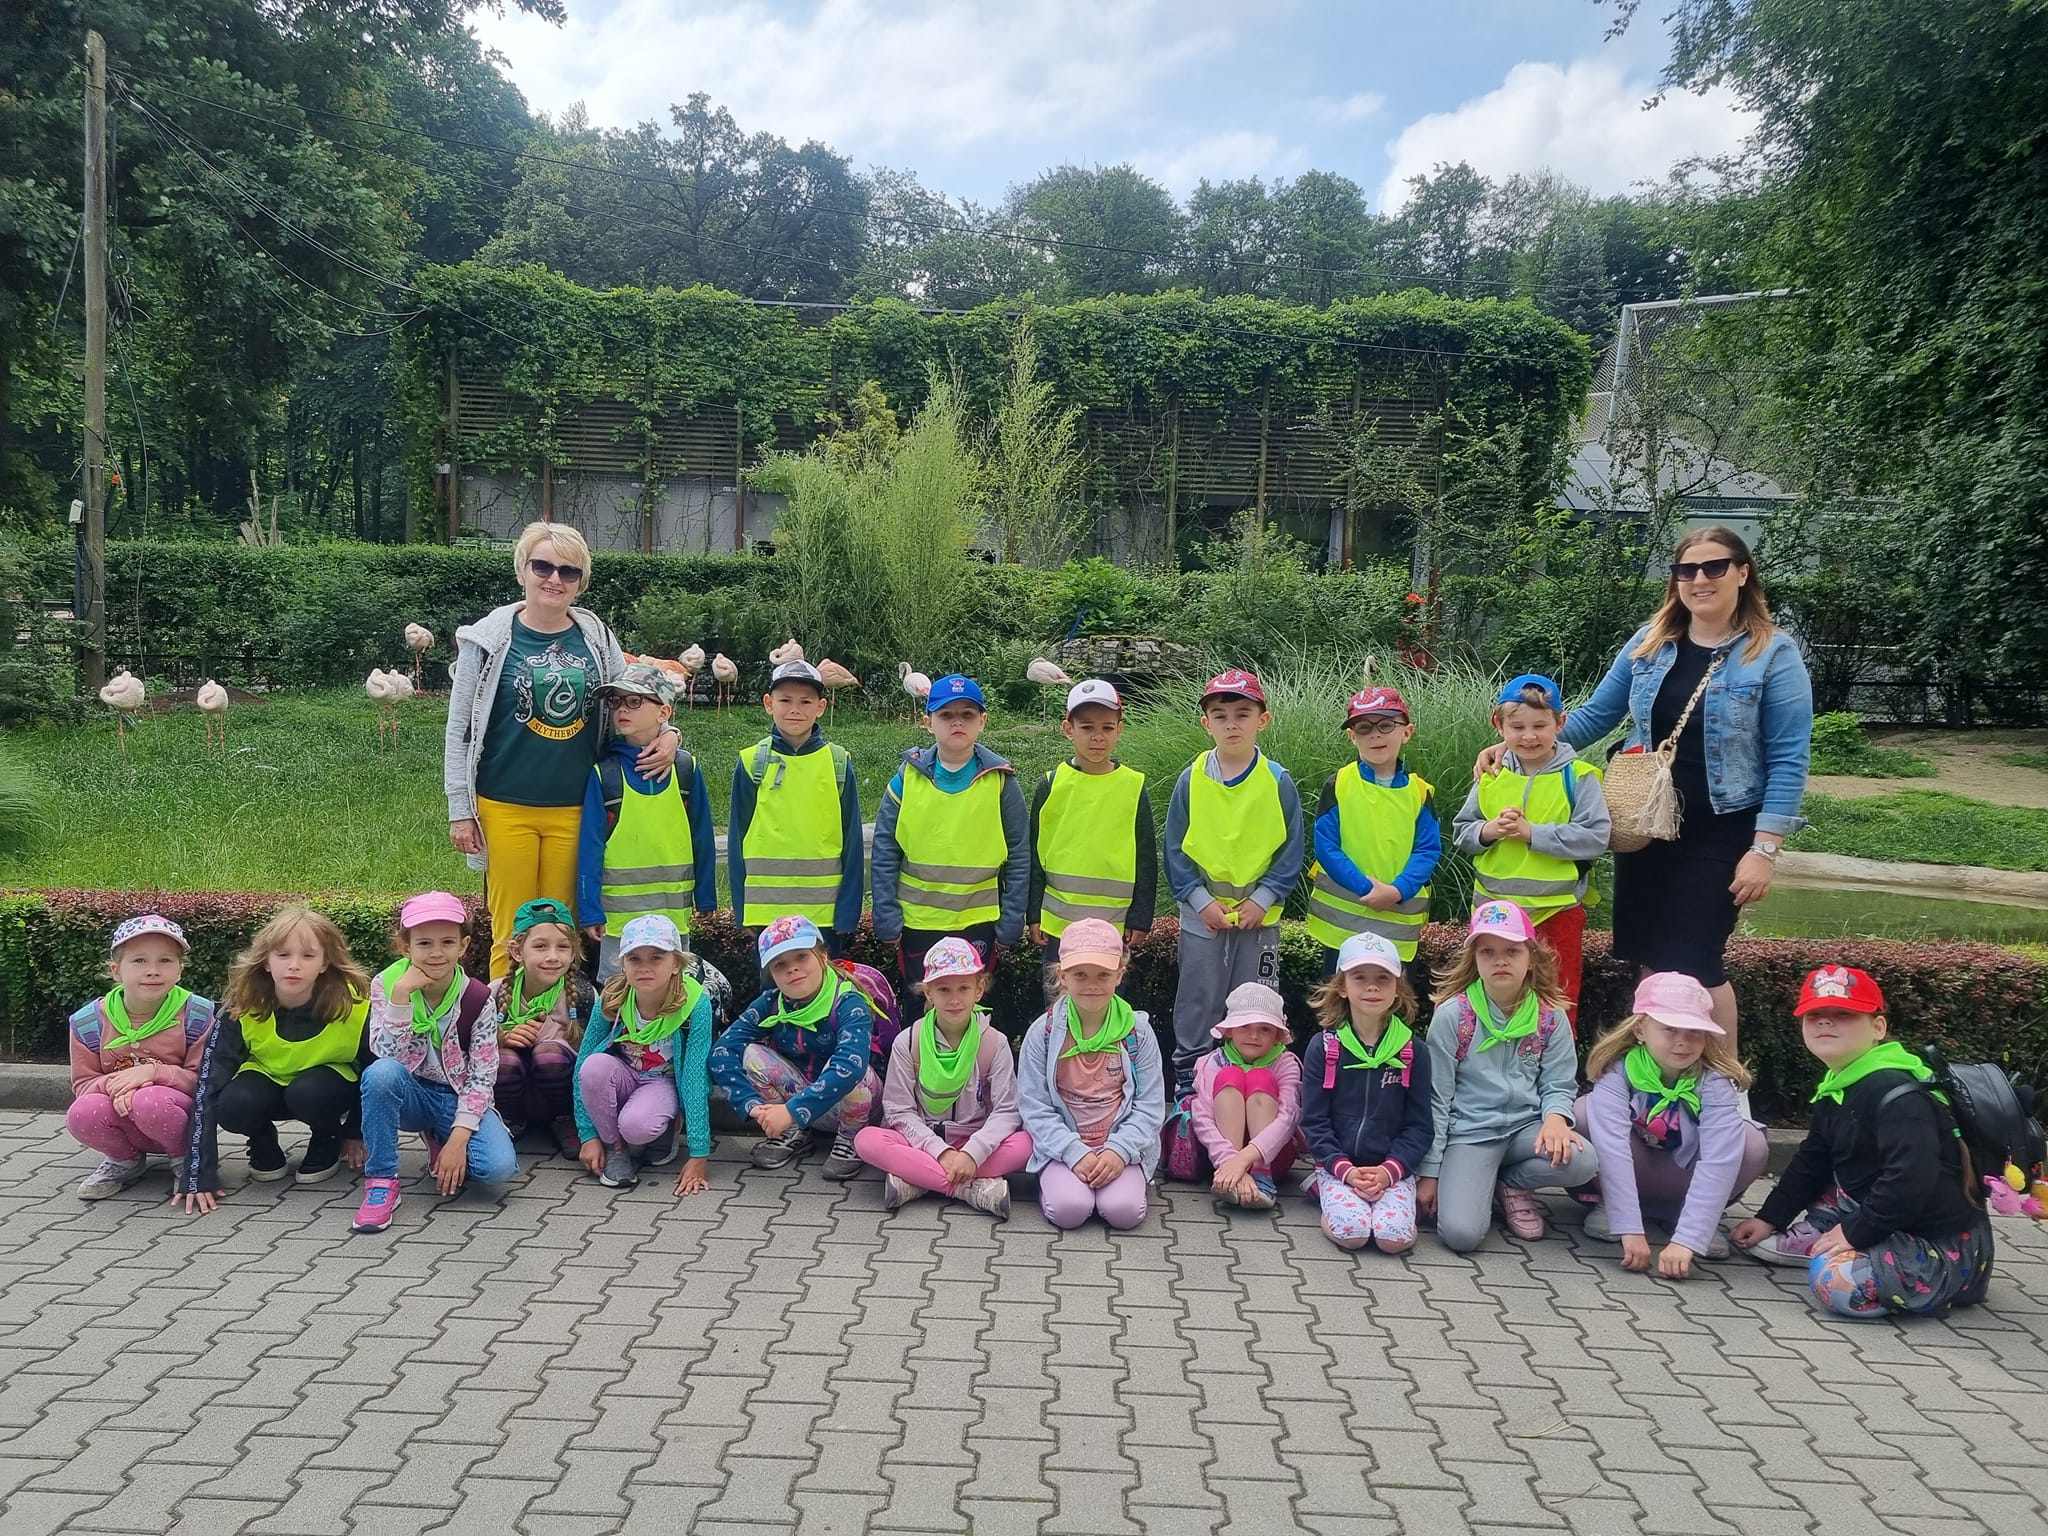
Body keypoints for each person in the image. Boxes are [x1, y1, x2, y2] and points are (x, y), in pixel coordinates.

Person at [1482, 526, 1812, 1046]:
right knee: (1651, 956)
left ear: (1742, 573)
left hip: (1721, 829)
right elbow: (1595, 717)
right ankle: (1654, 1075)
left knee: (1698, 962)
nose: (1699, 579)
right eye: (1686, 570)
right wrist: (1516, 744)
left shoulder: (1772, 653)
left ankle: (1725, 1082)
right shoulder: (1649, 642)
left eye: (1714, 567)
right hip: (1645, 823)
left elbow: (1789, 759)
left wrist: (1764, 849)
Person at [444, 521, 680, 979]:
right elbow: (460, 731)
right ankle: (504, 1016)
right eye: (543, 567)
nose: (554, 579)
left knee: (562, 930)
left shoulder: (596, 637)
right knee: (513, 930)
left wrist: (670, 734)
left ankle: (560, 1015)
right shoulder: (487, 640)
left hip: (576, 805)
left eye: (568, 571)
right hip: (504, 804)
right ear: (522, 571)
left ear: (580, 582)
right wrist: (460, 809)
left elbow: (635, 699)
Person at [1731, 966, 1993, 1320]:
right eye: (1814, 1016)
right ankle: (1832, 1238)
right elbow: (1813, 1159)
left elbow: (1910, 1179)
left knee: (1838, 1284)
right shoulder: (1842, 1083)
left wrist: (1854, 1233)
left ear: (1878, 1028)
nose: (1826, 1022)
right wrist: (1769, 1218)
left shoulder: (1897, 1094)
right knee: (1832, 1161)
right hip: (1892, 1219)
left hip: (1940, 1245)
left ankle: (1905, 1272)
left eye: (1843, 1015)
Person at [1418, 900, 1597, 1251]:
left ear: (1531, 957)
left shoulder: (1550, 1017)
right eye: (1488, 952)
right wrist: (1431, 1171)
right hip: (1470, 1134)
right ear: (1474, 959)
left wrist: (1556, 1119)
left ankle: (1511, 1184)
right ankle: (1478, 1178)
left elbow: (1559, 1082)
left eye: (1512, 951)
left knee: (1583, 1161)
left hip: (1525, 1130)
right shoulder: (1454, 1015)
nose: (1500, 960)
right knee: (1461, 1235)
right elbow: (1437, 1097)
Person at [177, 906, 374, 1215]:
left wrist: (354, 1131)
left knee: (307, 1092)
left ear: (325, 963)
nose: (294, 965)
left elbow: (376, 1073)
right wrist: (198, 1175)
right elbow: (207, 1086)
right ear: (266, 961)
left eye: (308, 956)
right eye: (283, 955)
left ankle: (327, 1138)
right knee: (233, 1102)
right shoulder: (241, 1007)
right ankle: (262, 1140)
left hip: (326, 1091)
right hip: (268, 1084)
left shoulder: (356, 1006)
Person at [1163, 669, 1304, 1096]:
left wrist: (1264, 898)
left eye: (1243, 714)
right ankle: (1190, 1084)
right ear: (1206, 723)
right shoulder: (1191, 779)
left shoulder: (1277, 781)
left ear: (1263, 720)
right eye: (1220, 716)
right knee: (1198, 998)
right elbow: (1175, 848)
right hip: (1202, 916)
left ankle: (1255, 1081)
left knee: (1257, 1000)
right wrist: (1199, 900)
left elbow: (1291, 849)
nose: (1232, 725)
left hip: (1259, 919)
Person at [1576, 972, 1768, 1279]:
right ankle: (1611, 1207)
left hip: (1681, 1178)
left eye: (1694, 1031)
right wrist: (1630, 1228)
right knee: (1584, 1114)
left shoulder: (1714, 1081)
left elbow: (1719, 1160)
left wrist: (1688, 1240)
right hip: (1636, 1170)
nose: (1683, 1041)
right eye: (1669, 1028)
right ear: (1640, 1028)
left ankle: (1690, 1219)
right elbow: (1612, 1147)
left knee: (1751, 1143)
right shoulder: (1618, 1071)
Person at [352, 893, 517, 1235]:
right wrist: (401, 998)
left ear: (463, 946)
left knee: (497, 1170)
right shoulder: (387, 984)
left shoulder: (477, 997)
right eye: (424, 943)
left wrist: (458, 1140)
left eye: (447, 942)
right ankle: (382, 1181)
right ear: (405, 947)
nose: (436, 952)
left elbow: (482, 1076)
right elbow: (386, 1057)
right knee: (379, 1075)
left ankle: (441, 1136)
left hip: (456, 1096)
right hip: (411, 1094)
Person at [1454, 674, 1609, 1020]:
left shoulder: (1580, 776)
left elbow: (1596, 838)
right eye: (1517, 727)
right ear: (1499, 725)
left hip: (1556, 912)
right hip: (1494, 911)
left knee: (1556, 1002)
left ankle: (1557, 1057)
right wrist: (1489, 830)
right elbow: (1462, 832)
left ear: (1560, 723)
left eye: (1540, 726)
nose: (1529, 736)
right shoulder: (1490, 774)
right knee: (1490, 1001)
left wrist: (1532, 834)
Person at [870, 674, 1030, 989]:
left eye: (967, 714)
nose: (957, 722)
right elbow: (885, 849)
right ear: (928, 722)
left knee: (969, 1007)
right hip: (918, 923)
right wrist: (886, 914)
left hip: (978, 923)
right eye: (946, 715)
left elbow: (1019, 853)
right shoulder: (907, 778)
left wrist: (1012, 919)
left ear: (982, 721)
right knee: (923, 1006)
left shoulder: (1001, 781)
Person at [853, 937, 1029, 1216]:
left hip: (975, 1141)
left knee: (1026, 1144)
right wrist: (941, 1152)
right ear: (928, 992)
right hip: (921, 1142)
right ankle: (967, 1189)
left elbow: (1007, 1110)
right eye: (944, 989)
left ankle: (918, 1180)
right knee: (867, 1140)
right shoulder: (907, 1041)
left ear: (979, 989)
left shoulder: (994, 1043)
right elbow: (899, 1110)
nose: (954, 999)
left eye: (963, 988)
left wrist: (973, 1153)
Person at [1016, 918, 1166, 1230]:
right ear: (1063, 975)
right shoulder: (1043, 1033)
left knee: (1124, 1212)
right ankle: (1056, 1183)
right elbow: (1033, 1105)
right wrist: (1072, 1152)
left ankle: (1115, 1183)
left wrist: (1119, 1151)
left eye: (1103, 974)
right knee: (1069, 1211)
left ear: (1119, 974)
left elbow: (1150, 1106)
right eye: (1080, 974)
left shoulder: (1138, 1033)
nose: (1092, 984)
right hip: (1063, 1146)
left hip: (1119, 1143)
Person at [711, 915, 881, 1180]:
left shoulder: (848, 1002)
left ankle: (851, 1140)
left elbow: (851, 1066)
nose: (792, 969)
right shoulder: (770, 1003)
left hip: (854, 1104)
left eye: (801, 956)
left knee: (851, 1070)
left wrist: (791, 1111)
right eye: (780, 964)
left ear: (823, 957)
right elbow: (721, 1052)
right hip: (796, 1109)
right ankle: (792, 1133)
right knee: (751, 1054)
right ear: (771, 974)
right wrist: (752, 1105)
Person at [575, 661, 717, 979]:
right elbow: (590, 846)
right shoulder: (605, 774)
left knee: (674, 987)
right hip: (619, 922)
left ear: (663, 712)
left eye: (634, 701)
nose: (622, 709)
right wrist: (589, 909)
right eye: (616, 701)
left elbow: (702, 836)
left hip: (673, 917)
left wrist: (706, 896)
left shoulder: (685, 769)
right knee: (617, 990)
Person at [1299, 933, 1434, 1255]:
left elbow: (1419, 1126)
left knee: (1393, 1240)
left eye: (1383, 978)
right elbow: (1314, 1121)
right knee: (1353, 1235)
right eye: (1360, 977)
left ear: (1397, 987)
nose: (1372, 987)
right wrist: (1343, 1169)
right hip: (1338, 1166)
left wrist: (1390, 1171)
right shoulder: (1325, 1048)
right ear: (1342, 987)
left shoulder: (1413, 1051)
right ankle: (1323, 1190)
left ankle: (1383, 1207)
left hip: (1391, 1169)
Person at [67, 915, 215, 1200]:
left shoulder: (197, 1015)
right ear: (116, 971)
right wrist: (119, 1085)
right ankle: (125, 1161)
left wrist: (151, 1074)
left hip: (174, 1116)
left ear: (180, 971)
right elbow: (84, 1084)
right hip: (123, 1115)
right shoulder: (88, 1022)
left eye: (165, 961)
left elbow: (204, 1082)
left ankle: (184, 1160)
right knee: (81, 1113)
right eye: (139, 961)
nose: (153, 971)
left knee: (148, 1100)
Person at [572, 914, 716, 1196]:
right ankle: (616, 1148)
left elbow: (695, 1078)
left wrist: (699, 1154)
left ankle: (665, 1128)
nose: (644, 967)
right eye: (634, 959)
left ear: (676, 964)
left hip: (662, 1083)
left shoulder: (695, 1005)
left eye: (656, 958)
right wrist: (587, 1136)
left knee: (636, 1127)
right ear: (623, 964)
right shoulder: (613, 998)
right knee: (593, 1066)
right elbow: (582, 1065)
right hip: (624, 1076)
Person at [729, 659, 864, 959]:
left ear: (821, 707)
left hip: (825, 915)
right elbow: (736, 838)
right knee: (775, 987)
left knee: (827, 987)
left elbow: (853, 841)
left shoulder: (838, 762)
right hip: (766, 914)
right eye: (785, 700)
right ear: (769, 703)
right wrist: (742, 909)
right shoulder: (751, 762)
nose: (795, 709)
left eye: (805, 701)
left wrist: (847, 912)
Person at [1305, 683, 1439, 978]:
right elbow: (1326, 846)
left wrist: (1397, 891)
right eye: (1364, 728)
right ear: (1352, 736)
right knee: (1338, 996)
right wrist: (1368, 890)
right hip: (1342, 926)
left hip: (1398, 922)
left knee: (1396, 997)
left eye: (1386, 725)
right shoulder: (1339, 784)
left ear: (1407, 732)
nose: (1375, 735)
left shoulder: (1419, 792)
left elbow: (1427, 850)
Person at [1027, 679, 1155, 943]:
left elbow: (1145, 858)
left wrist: (1140, 917)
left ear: (1119, 729)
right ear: (1068, 729)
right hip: (1058, 923)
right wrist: (1033, 913)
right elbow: (1034, 854)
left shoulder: (1133, 786)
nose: (1098, 736)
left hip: (1115, 925)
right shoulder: (1051, 784)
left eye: (1107, 727)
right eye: (1087, 727)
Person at [1186, 982, 1305, 1212]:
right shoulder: (1212, 1062)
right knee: (1230, 1075)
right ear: (1229, 1030)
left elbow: (1288, 1117)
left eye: (1265, 1029)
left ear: (1278, 1035)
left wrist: (1243, 1161)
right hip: (1221, 1158)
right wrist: (1229, 1161)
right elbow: (1202, 1117)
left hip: (1271, 1157)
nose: (1254, 1035)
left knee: (1260, 1078)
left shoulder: (1286, 1063)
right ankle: (1232, 1181)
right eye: (1244, 1026)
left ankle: (1261, 1176)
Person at [490, 898, 595, 1158]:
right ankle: (510, 1119)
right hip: (515, 1089)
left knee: (548, 1055)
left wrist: (543, 1035)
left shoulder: (584, 995)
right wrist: (503, 1038)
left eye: (563, 947)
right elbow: (471, 1050)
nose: (552, 957)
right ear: (517, 951)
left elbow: (595, 1054)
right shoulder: (494, 993)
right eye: (540, 946)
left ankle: (564, 1118)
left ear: (573, 952)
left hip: (560, 1089)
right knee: (503, 1060)